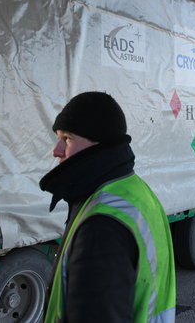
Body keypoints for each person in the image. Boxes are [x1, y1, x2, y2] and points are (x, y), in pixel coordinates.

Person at [39, 91, 176, 322]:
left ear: (99, 144)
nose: (56, 150)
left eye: (67, 138)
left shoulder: (101, 225)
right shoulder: (134, 189)